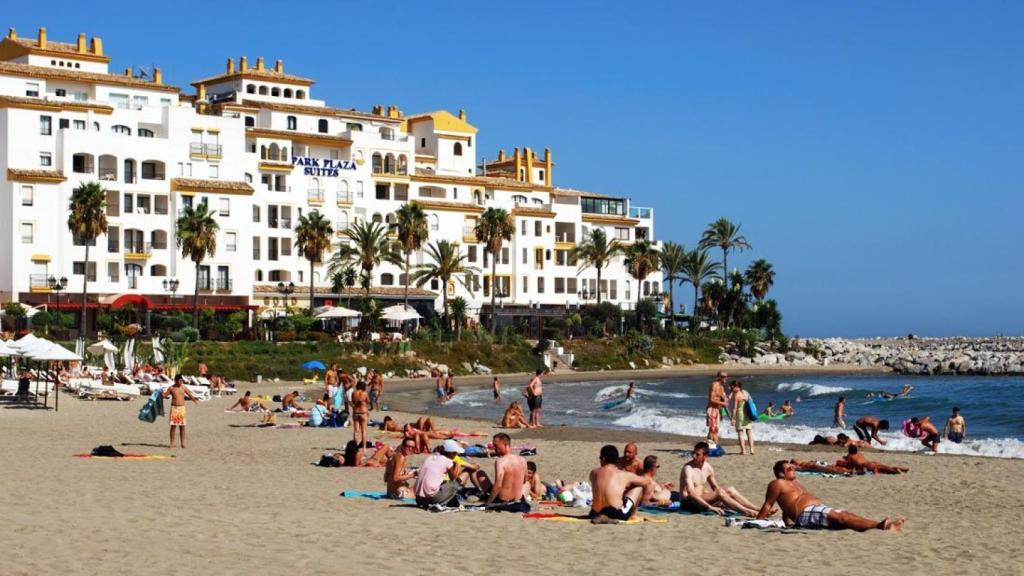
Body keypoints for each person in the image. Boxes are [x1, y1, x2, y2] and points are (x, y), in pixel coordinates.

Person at [756, 461, 905, 531]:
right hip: (807, 513)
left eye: (793, 467)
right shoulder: (777, 483)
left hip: (816, 509)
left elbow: (786, 506)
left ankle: (878, 526)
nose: (793, 469)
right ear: (781, 473)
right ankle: (882, 526)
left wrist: (787, 521)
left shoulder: (795, 484)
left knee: (846, 515)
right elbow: (769, 504)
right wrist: (758, 522)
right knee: (843, 518)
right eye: (789, 469)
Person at [680, 441, 759, 516]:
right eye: (693, 453)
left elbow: (715, 487)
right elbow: (691, 493)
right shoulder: (688, 468)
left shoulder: (708, 468)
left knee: (730, 489)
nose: (694, 456)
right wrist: (710, 507)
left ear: (705, 456)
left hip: (701, 499)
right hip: (689, 503)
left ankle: (755, 508)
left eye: (697, 455)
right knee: (719, 492)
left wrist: (725, 497)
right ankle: (746, 511)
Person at [589, 444, 654, 521]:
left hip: (594, 513)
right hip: (616, 514)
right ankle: (633, 515)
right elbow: (646, 482)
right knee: (639, 487)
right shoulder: (623, 475)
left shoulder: (593, 473)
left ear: (603, 459)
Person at [478, 433, 529, 511]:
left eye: (496, 445)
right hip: (518, 502)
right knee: (527, 483)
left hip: (503, 501)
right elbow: (525, 480)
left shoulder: (500, 462)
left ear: (505, 444)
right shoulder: (523, 460)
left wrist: (488, 503)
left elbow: (498, 485)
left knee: (480, 473)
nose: (494, 448)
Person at [414, 439, 467, 508]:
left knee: (444, 483)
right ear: (450, 452)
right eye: (455, 453)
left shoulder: (430, 457)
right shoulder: (448, 461)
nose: (456, 455)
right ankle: (450, 501)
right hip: (431, 499)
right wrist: (457, 464)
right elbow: (453, 478)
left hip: (418, 499)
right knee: (456, 483)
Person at [162, 375, 199, 449]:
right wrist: (161, 393)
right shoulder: (171, 388)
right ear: (176, 380)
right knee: (173, 427)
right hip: (174, 408)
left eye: (181, 381)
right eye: (179, 381)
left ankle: (183, 443)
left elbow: (189, 394)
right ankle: (172, 443)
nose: (181, 382)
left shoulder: (183, 387)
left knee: (182, 427)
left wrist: (194, 400)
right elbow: (165, 395)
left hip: (182, 408)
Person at [842, 446, 909, 475]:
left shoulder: (850, 456)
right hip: (871, 462)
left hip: (868, 466)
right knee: (886, 467)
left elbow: (850, 466)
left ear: (849, 450)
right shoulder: (859, 453)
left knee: (885, 469)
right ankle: (902, 469)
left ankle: (896, 471)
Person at [729, 381, 755, 455]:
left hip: (740, 414)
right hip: (747, 413)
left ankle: (743, 450)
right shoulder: (744, 393)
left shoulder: (736, 395)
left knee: (740, 432)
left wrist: (732, 418)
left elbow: (734, 408)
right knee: (749, 432)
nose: (731, 388)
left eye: (732, 387)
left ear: (737, 387)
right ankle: (752, 450)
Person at [705, 371, 729, 444]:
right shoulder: (714, 385)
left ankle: (715, 445)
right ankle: (710, 446)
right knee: (712, 429)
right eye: (723, 376)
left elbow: (725, 402)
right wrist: (723, 403)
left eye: (726, 376)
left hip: (718, 409)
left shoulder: (722, 387)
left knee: (716, 429)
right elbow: (711, 399)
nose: (725, 378)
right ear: (718, 377)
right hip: (712, 408)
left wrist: (730, 416)